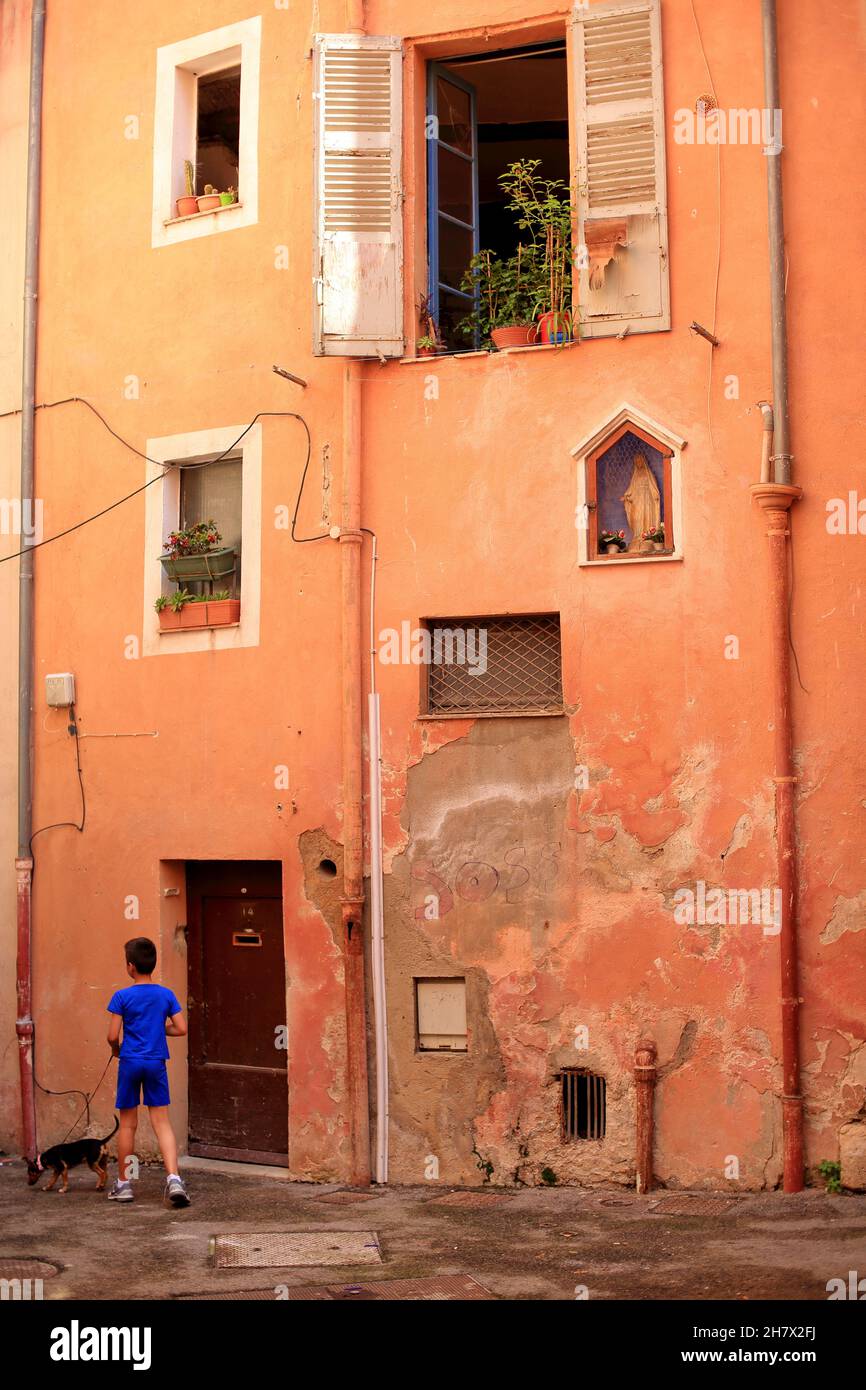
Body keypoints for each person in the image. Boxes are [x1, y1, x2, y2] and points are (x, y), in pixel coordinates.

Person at [106, 937, 191, 1207]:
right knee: (161, 1122)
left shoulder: (122, 996)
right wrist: (159, 1028)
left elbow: (111, 1035)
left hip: (130, 1061)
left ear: (130, 966)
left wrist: (116, 1049)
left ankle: (125, 1184)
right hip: (156, 1062)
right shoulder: (166, 994)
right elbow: (180, 1028)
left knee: (129, 1124)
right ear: (152, 964)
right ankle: (174, 1179)